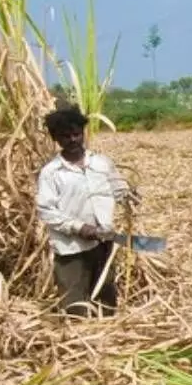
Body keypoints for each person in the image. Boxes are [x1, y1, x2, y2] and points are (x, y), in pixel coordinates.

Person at [36, 105, 135, 317]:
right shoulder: (51, 173)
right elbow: (47, 211)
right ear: (56, 139)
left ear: (83, 134)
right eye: (65, 136)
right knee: (75, 308)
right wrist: (81, 228)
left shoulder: (101, 163)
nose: (72, 140)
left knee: (106, 301)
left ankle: (107, 339)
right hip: (71, 247)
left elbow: (118, 188)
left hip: (104, 241)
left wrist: (129, 196)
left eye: (76, 134)